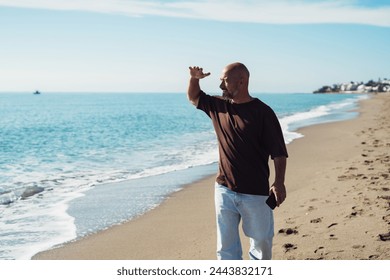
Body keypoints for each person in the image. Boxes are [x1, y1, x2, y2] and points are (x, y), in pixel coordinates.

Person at [187, 62, 288, 260]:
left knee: (261, 246)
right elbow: (194, 97)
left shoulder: (263, 113)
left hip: (256, 193)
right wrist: (194, 79)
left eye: (225, 81)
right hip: (224, 190)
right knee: (226, 249)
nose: (221, 87)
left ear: (241, 82)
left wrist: (279, 182)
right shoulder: (218, 106)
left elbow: (278, 152)